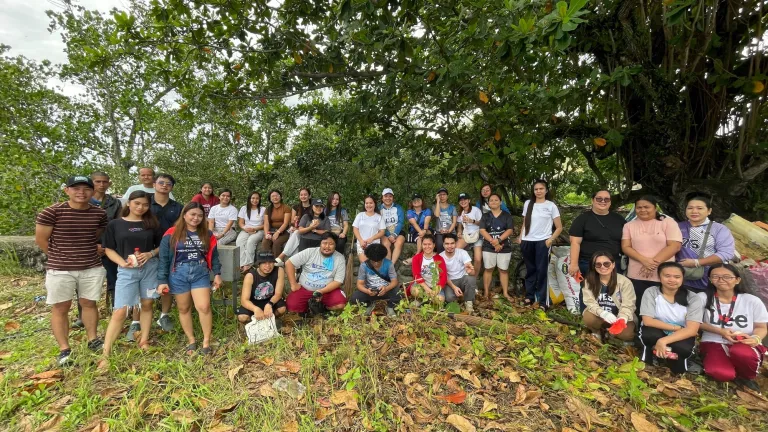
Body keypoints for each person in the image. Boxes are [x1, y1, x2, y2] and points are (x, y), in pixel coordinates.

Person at [35, 175, 108, 366]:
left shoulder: (99, 214)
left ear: (92, 192)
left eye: (86, 189)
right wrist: (59, 256)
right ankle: (64, 349)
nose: (81, 193)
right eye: (76, 188)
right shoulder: (52, 212)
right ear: (67, 190)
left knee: (89, 303)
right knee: (61, 307)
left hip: (90, 266)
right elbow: (41, 240)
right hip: (60, 268)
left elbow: (95, 236)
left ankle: (93, 339)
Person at [100, 191, 162, 363]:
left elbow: (161, 246)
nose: (141, 207)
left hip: (149, 268)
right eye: (137, 204)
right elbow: (109, 249)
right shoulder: (115, 224)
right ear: (129, 203)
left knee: (147, 304)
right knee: (121, 310)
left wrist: (150, 254)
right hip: (127, 270)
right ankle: (106, 354)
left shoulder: (152, 223)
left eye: (145, 205)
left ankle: (144, 340)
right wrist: (121, 262)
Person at [157, 202, 222, 355]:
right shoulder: (171, 233)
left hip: (200, 272)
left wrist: (217, 274)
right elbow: (164, 259)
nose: (196, 218)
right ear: (184, 215)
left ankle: (206, 341)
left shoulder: (207, 234)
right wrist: (162, 280)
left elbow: (215, 257)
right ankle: (191, 340)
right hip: (178, 273)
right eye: (192, 214)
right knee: (184, 308)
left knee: (204, 306)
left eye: (200, 215)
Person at [699, 265, 768, 391]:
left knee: (741, 353)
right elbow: (694, 322)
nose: (721, 280)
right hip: (713, 341)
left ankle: (746, 377)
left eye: (727, 277)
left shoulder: (752, 300)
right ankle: (726, 366)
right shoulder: (702, 297)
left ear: (737, 280)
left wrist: (755, 338)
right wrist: (719, 331)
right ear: (709, 279)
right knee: (721, 373)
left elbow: (761, 327)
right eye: (715, 276)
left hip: (743, 341)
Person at [622, 195, 683, 317]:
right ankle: (640, 333)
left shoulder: (668, 222)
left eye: (646, 207)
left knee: (662, 308)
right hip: (636, 274)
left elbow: (675, 246)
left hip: (663, 274)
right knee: (638, 306)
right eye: (639, 207)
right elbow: (626, 247)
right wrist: (644, 261)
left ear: (655, 208)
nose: (642, 210)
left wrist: (653, 263)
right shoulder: (629, 225)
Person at [638, 262, 702, 374]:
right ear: (659, 277)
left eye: (677, 277)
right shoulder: (651, 292)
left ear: (682, 278)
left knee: (682, 349)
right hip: (658, 328)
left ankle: (675, 364)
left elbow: (692, 330)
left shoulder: (693, 298)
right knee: (650, 336)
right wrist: (674, 328)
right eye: (667, 276)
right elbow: (647, 321)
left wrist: (663, 341)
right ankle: (649, 359)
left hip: (682, 332)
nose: (672, 280)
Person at [84, 171, 121, 329]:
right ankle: (83, 315)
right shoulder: (83, 200)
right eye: (98, 181)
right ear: (92, 183)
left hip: (110, 247)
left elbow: (119, 225)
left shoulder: (115, 203)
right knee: (86, 283)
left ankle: (116, 310)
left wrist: (108, 246)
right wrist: (94, 245)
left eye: (104, 182)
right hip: (87, 247)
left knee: (114, 280)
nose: (101, 185)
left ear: (109, 184)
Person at [676, 192, 736, 292]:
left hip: (709, 280)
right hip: (681, 280)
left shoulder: (719, 229)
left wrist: (697, 262)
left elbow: (726, 253)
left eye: (700, 208)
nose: (694, 211)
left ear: (709, 211)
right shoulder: (677, 227)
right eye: (690, 208)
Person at [519, 179, 563, 310]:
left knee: (542, 271)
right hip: (527, 241)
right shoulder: (528, 203)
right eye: (536, 189)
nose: (538, 191)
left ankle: (543, 302)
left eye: (541, 189)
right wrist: (521, 237)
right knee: (530, 269)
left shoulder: (551, 206)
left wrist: (550, 240)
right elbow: (524, 222)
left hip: (542, 242)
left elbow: (559, 227)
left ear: (546, 190)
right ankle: (529, 296)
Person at [149, 173, 184, 332]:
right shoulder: (144, 203)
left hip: (170, 248)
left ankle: (164, 315)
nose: (164, 185)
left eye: (168, 184)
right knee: (144, 285)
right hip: (144, 249)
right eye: (161, 182)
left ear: (171, 188)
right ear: (154, 184)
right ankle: (138, 321)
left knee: (167, 282)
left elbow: (177, 230)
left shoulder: (178, 207)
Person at [285, 233, 348, 315]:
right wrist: (293, 284)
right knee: (291, 307)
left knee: (340, 304)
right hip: (305, 288)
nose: (327, 247)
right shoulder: (310, 252)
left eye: (331, 244)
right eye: (324, 243)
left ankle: (324, 308)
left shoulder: (339, 258)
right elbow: (289, 263)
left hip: (327, 290)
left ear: (335, 245)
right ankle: (309, 309)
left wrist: (321, 291)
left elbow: (338, 281)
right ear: (320, 243)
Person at [568, 190, 626, 278]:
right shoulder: (582, 219)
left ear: (610, 202)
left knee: (614, 291)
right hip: (589, 264)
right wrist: (574, 264)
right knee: (590, 291)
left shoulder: (619, 219)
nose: (603, 201)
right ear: (592, 200)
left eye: (606, 199)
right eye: (599, 199)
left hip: (614, 263)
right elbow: (575, 243)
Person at [581, 251, 636, 343]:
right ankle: (598, 332)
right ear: (594, 267)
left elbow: (628, 304)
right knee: (588, 317)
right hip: (600, 316)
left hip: (618, 316)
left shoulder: (624, 282)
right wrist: (603, 313)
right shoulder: (589, 281)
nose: (602, 267)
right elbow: (590, 302)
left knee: (627, 334)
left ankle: (612, 336)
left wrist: (622, 318)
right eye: (598, 264)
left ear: (613, 265)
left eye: (606, 264)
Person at [478, 194, 515, 300]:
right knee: (488, 268)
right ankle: (486, 292)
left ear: (500, 202)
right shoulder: (485, 216)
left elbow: (510, 230)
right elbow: (482, 230)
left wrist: (498, 240)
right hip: (488, 246)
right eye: (491, 200)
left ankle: (505, 293)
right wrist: (493, 242)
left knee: (503, 270)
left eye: (496, 200)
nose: (493, 202)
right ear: (488, 203)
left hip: (505, 246)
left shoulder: (506, 215)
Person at [350, 243, 401, 317]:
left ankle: (390, 307)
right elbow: (359, 284)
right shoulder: (364, 266)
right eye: (373, 261)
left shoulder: (389, 264)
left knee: (399, 293)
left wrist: (386, 288)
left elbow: (394, 281)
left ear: (383, 258)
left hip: (385, 291)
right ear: (369, 258)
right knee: (355, 297)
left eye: (379, 261)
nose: (376, 263)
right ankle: (369, 305)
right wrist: (367, 291)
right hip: (370, 292)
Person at [236, 251, 287, 324]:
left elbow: (278, 294)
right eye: (264, 263)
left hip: (271, 300)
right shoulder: (250, 276)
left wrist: (270, 304)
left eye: (270, 262)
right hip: (254, 302)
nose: (268, 266)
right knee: (242, 317)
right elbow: (244, 300)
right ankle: (254, 323)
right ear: (258, 264)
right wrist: (255, 309)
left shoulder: (279, 270)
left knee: (282, 309)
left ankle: (271, 321)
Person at [440, 233, 477, 313]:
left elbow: (472, 273)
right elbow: (444, 277)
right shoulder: (440, 257)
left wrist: (470, 271)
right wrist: (454, 287)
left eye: (452, 243)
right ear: (443, 245)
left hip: (462, 278)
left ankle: (469, 303)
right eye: (447, 244)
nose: (449, 246)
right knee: (449, 298)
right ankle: (462, 297)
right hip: (449, 282)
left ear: (456, 243)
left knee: (471, 279)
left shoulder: (462, 253)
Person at [276, 188, 313, 265]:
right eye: (301, 195)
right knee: (295, 235)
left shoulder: (313, 207)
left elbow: (313, 222)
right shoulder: (296, 207)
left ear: (309, 196)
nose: (303, 196)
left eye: (305, 194)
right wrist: (294, 220)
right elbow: (292, 222)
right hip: (296, 228)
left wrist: (298, 228)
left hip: (307, 229)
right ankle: (295, 268)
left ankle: (282, 257)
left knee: (296, 233)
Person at [408, 233, 447, 306]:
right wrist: (428, 290)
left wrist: (435, 291)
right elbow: (417, 276)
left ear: (434, 245)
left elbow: (443, 277)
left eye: (429, 244)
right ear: (422, 245)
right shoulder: (417, 258)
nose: (427, 246)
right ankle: (421, 299)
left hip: (435, 286)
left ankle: (425, 301)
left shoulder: (439, 259)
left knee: (440, 300)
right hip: (421, 285)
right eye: (424, 244)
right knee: (415, 291)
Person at [236, 191, 266, 273]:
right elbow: (241, 223)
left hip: (259, 230)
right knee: (239, 241)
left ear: (259, 200)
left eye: (257, 198)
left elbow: (265, 225)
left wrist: (255, 228)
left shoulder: (263, 209)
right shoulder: (244, 208)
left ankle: (249, 264)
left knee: (250, 241)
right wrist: (244, 228)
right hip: (246, 229)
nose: (255, 200)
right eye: (253, 198)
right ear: (249, 199)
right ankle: (242, 264)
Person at [352, 195, 386, 263]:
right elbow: (355, 229)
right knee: (365, 263)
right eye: (366, 203)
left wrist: (372, 239)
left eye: (371, 203)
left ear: (374, 204)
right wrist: (361, 240)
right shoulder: (360, 215)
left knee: (375, 264)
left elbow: (382, 232)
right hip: (362, 244)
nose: (368, 205)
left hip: (374, 245)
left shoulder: (379, 217)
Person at [456, 192, 483, 273]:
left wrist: (472, 221)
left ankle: (474, 278)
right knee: (455, 251)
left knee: (478, 259)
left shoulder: (476, 210)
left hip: (477, 235)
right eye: (461, 200)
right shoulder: (461, 213)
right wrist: (459, 232)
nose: (463, 201)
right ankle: (459, 273)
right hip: (466, 235)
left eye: (465, 199)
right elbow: (460, 224)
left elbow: (482, 223)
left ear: (469, 200)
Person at [261, 190, 292, 258]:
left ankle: (276, 264)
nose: (275, 197)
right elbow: (266, 223)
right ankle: (266, 262)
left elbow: (286, 223)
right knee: (265, 242)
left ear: (280, 197)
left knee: (276, 243)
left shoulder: (286, 208)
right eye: (273, 196)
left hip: (284, 232)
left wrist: (278, 232)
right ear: (270, 198)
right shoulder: (268, 209)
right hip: (271, 230)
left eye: (277, 195)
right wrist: (267, 234)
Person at [403, 193, 432, 266]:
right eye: (414, 200)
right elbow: (414, 224)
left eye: (418, 199)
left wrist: (424, 231)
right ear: (412, 203)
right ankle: (416, 256)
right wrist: (421, 232)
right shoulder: (410, 212)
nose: (416, 201)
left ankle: (416, 257)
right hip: (415, 231)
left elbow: (427, 222)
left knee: (428, 233)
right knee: (420, 238)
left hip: (426, 229)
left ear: (422, 201)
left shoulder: (427, 211)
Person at [380, 188, 407, 264]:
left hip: (397, 231)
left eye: (390, 196)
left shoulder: (398, 207)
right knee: (386, 244)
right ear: (382, 198)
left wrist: (394, 234)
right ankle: (388, 264)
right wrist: (389, 235)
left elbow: (401, 222)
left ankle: (391, 265)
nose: (388, 198)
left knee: (399, 243)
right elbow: (379, 224)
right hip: (384, 232)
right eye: (386, 196)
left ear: (393, 198)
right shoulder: (379, 208)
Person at [433, 188, 458, 253]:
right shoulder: (435, 206)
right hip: (439, 233)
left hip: (451, 232)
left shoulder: (452, 207)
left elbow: (454, 222)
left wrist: (449, 231)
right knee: (440, 248)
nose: (442, 196)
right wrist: (438, 201)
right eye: (440, 195)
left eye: (444, 194)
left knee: (452, 248)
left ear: (447, 196)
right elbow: (437, 215)